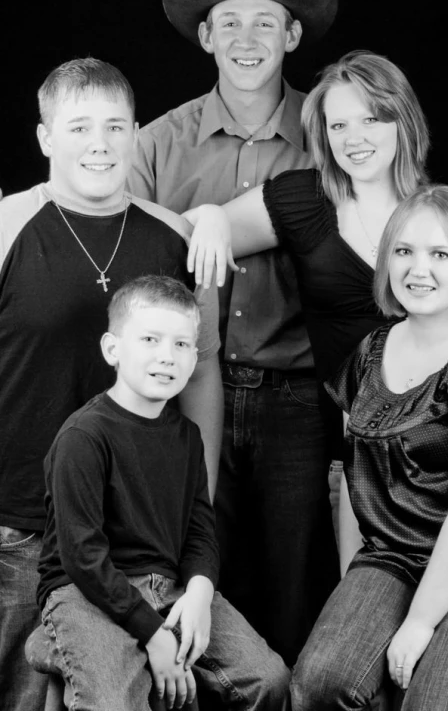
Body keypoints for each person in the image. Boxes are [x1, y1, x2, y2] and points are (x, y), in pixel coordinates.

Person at [184, 49, 448, 556]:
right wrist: (209, 215)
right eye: (338, 126)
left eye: (371, 120)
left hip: (436, 458)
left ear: (402, 121)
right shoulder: (304, 198)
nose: (353, 139)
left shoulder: (442, 215)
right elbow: (189, 235)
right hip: (345, 452)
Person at [127, 0, 340, 665]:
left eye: (265, 22)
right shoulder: (156, 145)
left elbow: (407, 213)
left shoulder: (334, 136)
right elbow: (94, 223)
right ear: (207, 36)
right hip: (186, 391)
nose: (246, 39)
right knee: (183, 571)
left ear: (292, 36)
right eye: (230, 22)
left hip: (297, 396)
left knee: (290, 587)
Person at [0, 57, 221, 711]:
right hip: (16, 523)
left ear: (135, 135)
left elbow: (202, 368)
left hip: (135, 536)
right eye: (79, 127)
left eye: (115, 126)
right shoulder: (9, 228)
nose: (99, 142)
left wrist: (201, 494)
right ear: (45, 138)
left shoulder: (177, 236)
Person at [289, 184, 448, 711]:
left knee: (436, 703)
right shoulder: (370, 352)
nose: (418, 269)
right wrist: (354, 585)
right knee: (322, 682)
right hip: (395, 556)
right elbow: (356, 481)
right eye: (404, 251)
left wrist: (420, 622)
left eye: (440, 254)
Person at [36, 275, 290, 711]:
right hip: (86, 590)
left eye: (181, 345)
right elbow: (82, 555)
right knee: (114, 700)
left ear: (195, 358)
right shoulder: (84, 436)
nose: (166, 357)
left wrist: (199, 595)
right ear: (113, 349)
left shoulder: (187, 437)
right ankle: (52, 642)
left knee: (269, 679)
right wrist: (153, 635)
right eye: (150, 339)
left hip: (169, 586)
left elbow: (200, 534)